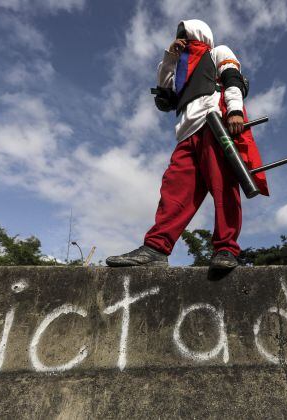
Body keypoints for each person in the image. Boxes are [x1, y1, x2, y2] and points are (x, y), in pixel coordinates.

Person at [106, 19, 268, 270]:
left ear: (198, 34)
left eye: (186, 35)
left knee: (224, 187)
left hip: (215, 124)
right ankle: (156, 248)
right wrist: (171, 57)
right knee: (173, 191)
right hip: (185, 134)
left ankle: (226, 249)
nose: (182, 39)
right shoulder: (179, 71)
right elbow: (164, 97)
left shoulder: (218, 52)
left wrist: (235, 110)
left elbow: (233, 79)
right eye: (179, 36)